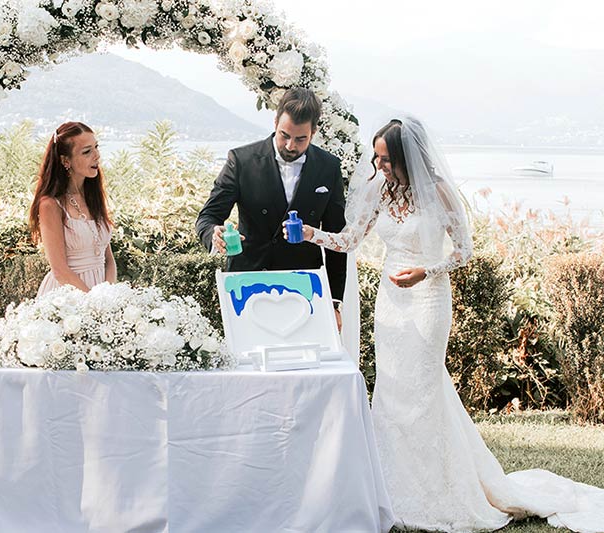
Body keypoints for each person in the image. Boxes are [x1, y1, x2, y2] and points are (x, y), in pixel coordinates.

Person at [286, 117, 604, 532]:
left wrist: (426, 271)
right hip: (390, 301)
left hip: (428, 297)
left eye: (386, 159)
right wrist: (312, 233)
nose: (379, 166)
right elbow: (349, 240)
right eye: (376, 157)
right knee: (392, 391)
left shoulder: (437, 191)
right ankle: (394, 491)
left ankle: (442, 491)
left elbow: (464, 251)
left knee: (422, 390)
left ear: (406, 158)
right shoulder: (380, 192)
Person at [195, 87, 347, 325]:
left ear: (314, 132)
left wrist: (335, 301)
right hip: (247, 283)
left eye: (300, 139)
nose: (290, 146)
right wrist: (213, 234)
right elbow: (208, 216)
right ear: (275, 121)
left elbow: (335, 237)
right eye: (284, 135)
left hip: (304, 286)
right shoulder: (241, 160)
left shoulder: (329, 167)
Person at [29, 121, 116, 296]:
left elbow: (108, 259)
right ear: (65, 160)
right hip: (68, 297)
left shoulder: (93, 198)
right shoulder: (51, 205)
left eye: (96, 147)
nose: (96, 156)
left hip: (102, 297)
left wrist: (108, 298)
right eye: (87, 152)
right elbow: (60, 270)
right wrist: (92, 302)